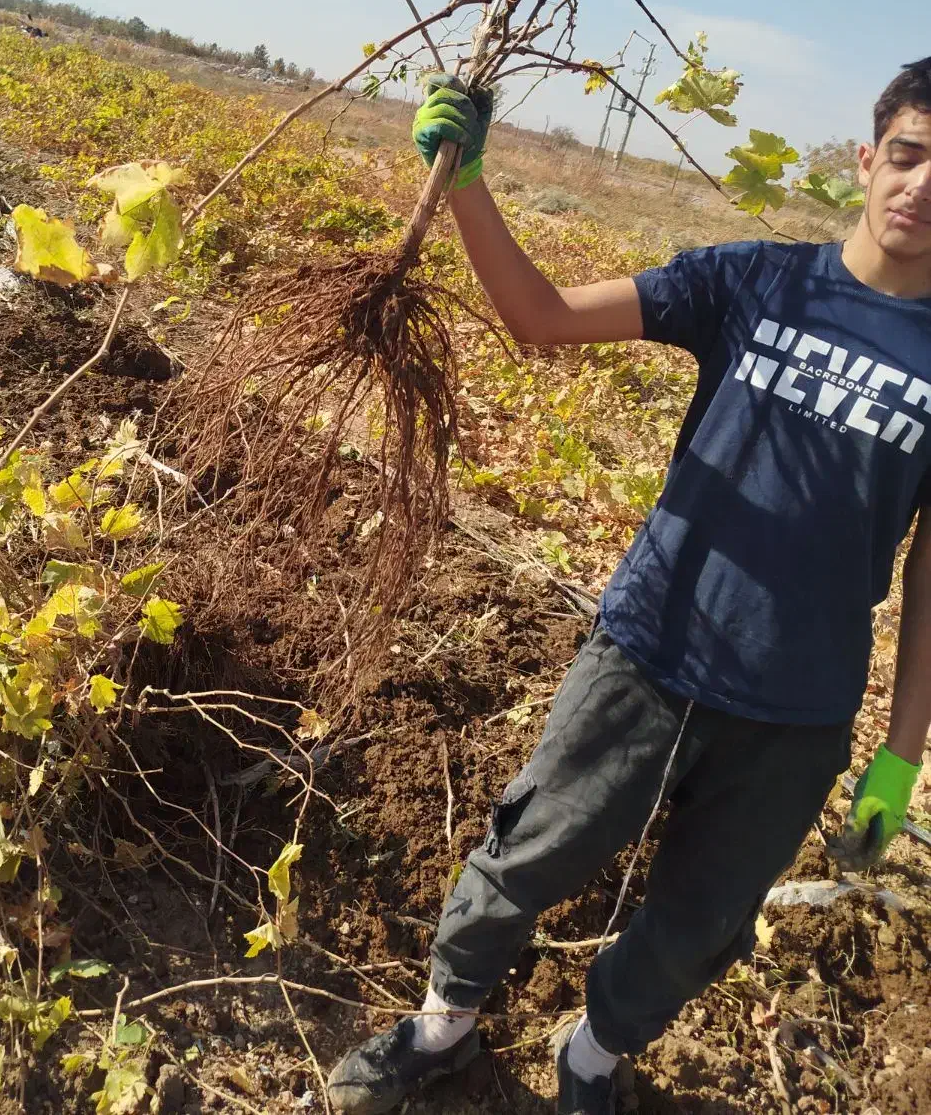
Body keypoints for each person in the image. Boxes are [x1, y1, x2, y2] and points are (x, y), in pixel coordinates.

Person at [327, 59, 931, 1114]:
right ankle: (441, 1026)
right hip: (649, 656)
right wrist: (464, 179)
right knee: (529, 853)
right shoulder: (754, 282)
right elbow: (542, 315)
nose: (923, 186)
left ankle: (594, 1057)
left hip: (797, 717)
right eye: (912, 154)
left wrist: (900, 760)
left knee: (702, 922)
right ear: (869, 157)